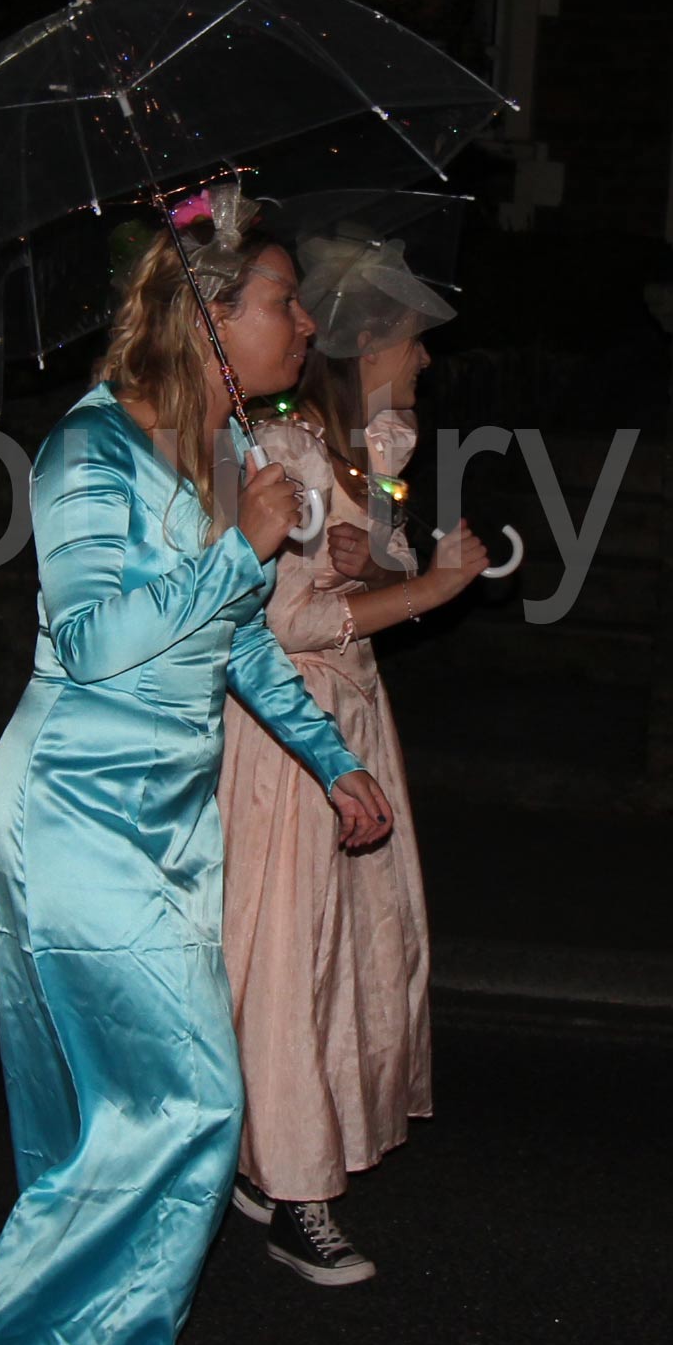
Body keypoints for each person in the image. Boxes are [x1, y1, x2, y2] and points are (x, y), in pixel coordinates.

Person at [0, 187, 393, 1345]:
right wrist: (241, 550)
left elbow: (238, 647)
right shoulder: (89, 453)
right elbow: (100, 642)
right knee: (189, 1104)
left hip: (171, 816)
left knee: (121, 1121)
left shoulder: (221, 452)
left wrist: (333, 760)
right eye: (283, 301)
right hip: (77, 805)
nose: (307, 325)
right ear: (212, 320)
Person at [216, 230, 490, 1285]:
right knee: (295, 960)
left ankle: (268, 1156)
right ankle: (297, 1192)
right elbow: (280, 624)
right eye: (411, 338)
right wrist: (431, 589)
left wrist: (376, 545)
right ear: (366, 343)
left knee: (343, 960)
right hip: (293, 736)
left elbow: (360, 574)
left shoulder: (351, 449)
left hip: (350, 717)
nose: (423, 357)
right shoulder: (282, 449)